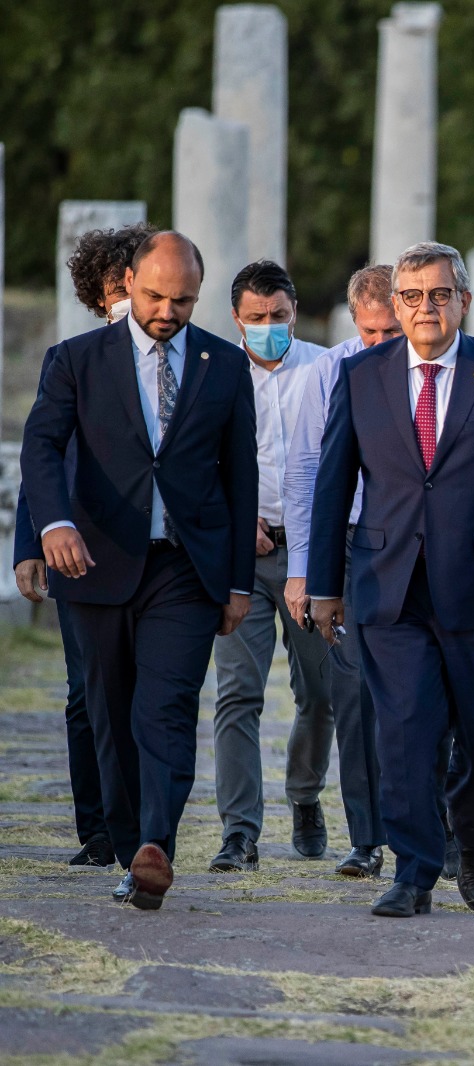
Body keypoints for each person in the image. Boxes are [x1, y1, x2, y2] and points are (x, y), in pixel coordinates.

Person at [308, 242, 474, 918]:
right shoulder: (362, 376)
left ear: (463, 302)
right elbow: (333, 485)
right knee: (404, 733)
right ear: (395, 305)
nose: (426, 308)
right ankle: (414, 872)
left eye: (439, 295)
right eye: (413, 296)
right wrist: (323, 580)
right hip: (385, 588)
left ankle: (470, 837)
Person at [20, 231, 257, 909]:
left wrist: (238, 580)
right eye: (154, 295)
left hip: (184, 569)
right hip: (94, 561)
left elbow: (242, 477)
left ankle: (156, 844)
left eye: (182, 300)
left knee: (168, 707)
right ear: (128, 281)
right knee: (109, 715)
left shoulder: (222, 364)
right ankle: (129, 851)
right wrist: (52, 525)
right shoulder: (76, 360)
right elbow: (42, 445)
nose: (167, 310)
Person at [12, 221, 154, 869]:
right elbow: (44, 456)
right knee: (84, 695)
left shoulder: (172, 364)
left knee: (143, 695)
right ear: (99, 294)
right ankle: (96, 827)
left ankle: (141, 822)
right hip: (77, 548)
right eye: (115, 284)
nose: (127, 293)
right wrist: (29, 542)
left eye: (136, 280)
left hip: (149, 551)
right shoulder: (70, 360)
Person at [206, 260, 345, 874]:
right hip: (241, 554)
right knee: (238, 693)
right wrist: (235, 523)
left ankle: (305, 794)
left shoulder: (326, 368)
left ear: (296, 313)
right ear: (236, 318)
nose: (269, 328)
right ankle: (240, 832)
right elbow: (192, 462)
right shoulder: (213, 374)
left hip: (311, 553)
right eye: (257, 319)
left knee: (320, 691)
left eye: (279, 317)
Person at [281, 265, 401, 879]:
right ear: (353, 321)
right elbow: (305, 475)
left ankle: (435, 827)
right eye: (370, 331)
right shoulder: (334, 371)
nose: (381, 343)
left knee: (422, 695)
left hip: (417, 546)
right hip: (352, 549)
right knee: (351, 693)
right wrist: (306, 572)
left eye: (392, 330)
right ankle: (366, 838)